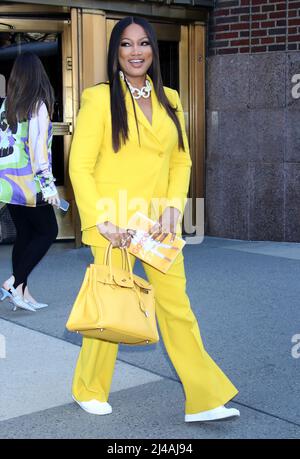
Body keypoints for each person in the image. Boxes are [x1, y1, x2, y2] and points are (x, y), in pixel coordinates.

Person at [69, 16, 240, 422]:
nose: (136, 52)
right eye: (126, 45)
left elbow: (181, 158)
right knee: (113, 305)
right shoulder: (99, 99)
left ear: (152, 50)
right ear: (116, 52)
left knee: (176, 306)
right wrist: (101, 220)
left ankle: (203, 397)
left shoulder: (170, 99)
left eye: (143, 43)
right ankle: (88, 388)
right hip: (113, 225)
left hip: (159, 224)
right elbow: (80, 166)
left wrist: (172, 208)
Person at [0, 52, 59, 312]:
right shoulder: (38, 104)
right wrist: (49, 187)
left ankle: (22, 292)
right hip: (30, 186)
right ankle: (14, 283)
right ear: (39, 76)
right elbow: (38, 152)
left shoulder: (5, 107)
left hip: (7, 185)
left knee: (25, 235)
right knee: (49, 232)